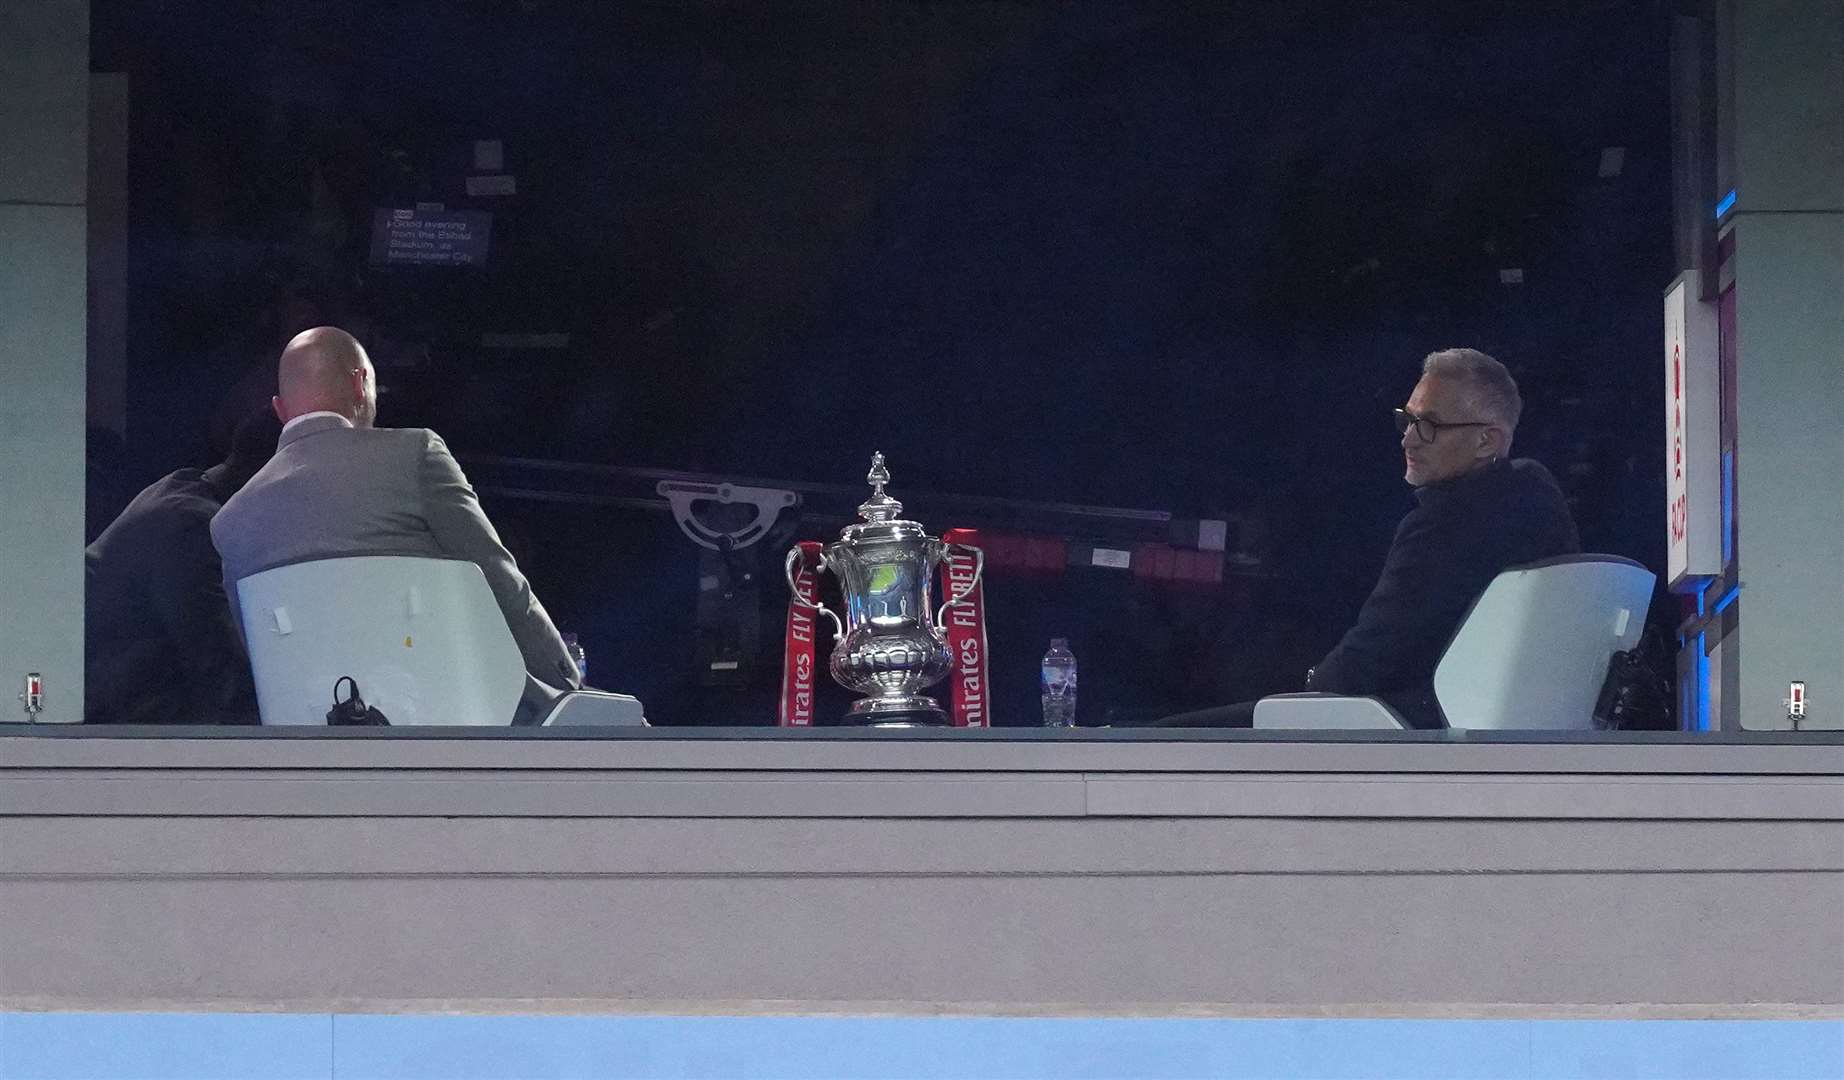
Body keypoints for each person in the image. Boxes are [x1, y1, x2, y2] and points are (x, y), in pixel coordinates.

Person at [1161, 347, 1580, 728]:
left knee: (1159, 740)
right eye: (1409, 419)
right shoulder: (1537, 502)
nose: (1409, 438)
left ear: (1487, 439)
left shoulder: (1444, 524)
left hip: (1411, 724)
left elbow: (1368, 661)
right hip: (1462, 720)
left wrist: (1311, 685)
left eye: (1430, 425)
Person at [210, 327, 582, 720]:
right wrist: (568, 685)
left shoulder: (231, 522)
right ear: (360, 383)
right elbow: (499, 579)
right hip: (452, 730)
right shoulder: (415, 454)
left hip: (320, 752)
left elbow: (264, 660)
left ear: (280, 410)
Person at [85, 409, 283, 724]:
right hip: (119, 729)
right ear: (271, 481)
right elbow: (220, 667)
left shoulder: (182, 493)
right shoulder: (189, 525)